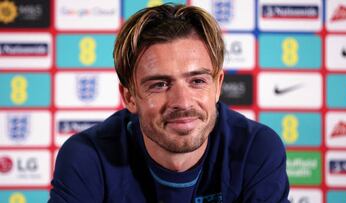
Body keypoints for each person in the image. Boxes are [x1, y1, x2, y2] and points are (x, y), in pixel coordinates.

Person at [49, 4, 289, 203]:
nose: (182, 102)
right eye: (160, 84)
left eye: (197, 81)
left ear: (218, 86)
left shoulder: (256, 149)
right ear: (129, 97)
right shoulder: (87, 157)